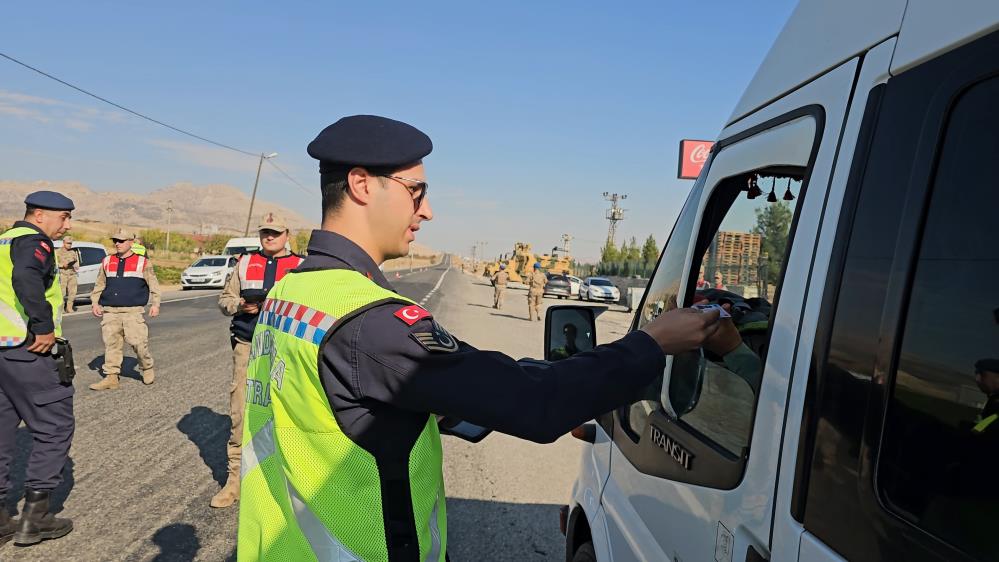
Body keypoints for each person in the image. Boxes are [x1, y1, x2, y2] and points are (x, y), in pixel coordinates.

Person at [236, 115, 721, 561]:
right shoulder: (370, 322)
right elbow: (536, 403)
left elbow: (340, 405)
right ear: (362, 184)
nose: (428, 211)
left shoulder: (292, 291)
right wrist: (654, 342)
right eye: (416, 191)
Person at [0, 191, 76, 547]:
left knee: (1, 430)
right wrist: (43, 325)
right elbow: (26, 279)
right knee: (54, 426)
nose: (67, 225)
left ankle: (2, 517)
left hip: (1, 351)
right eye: (64, 218)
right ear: (41, 215)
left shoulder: (4, 241)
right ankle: (35, 518)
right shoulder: (35, 242)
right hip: (27, 351)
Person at [212, 214, 303, 509]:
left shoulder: (302, 267)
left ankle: (288, 482)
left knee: (288, 412)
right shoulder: (245, 263)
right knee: (240, 411)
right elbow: (225, 298)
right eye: (265, 232)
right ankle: (234, 481)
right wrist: (240, 305)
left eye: (275, 233)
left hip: (287, 347)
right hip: (248, 345)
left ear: (287, 234)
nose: (269, 237)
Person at [89, 229, 161, 390]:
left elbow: (154, 285)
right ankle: (111, 377)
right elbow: (99, 284)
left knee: (139, 343)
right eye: (115, 240)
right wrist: (95, 302)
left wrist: (156, 304)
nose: (117, 243)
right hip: (110, 311)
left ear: (131, 242)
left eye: (121, 241)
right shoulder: (107, 261)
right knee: (111, 344)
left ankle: (147, 367)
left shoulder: (143, 262)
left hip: (133, 311)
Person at [55, 236, 80, 313]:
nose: (69, 245)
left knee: (73, 292)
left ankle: (69, 307)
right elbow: (54, 263)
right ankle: (61, 309)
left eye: (71, 243)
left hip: (72, 274)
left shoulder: (73, 252)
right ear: (63, 242)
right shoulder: (57, 252)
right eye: (68, 243)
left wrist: (76, 266)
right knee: (62, 293)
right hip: (63, 274)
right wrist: (62, 265)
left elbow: (76, 263)